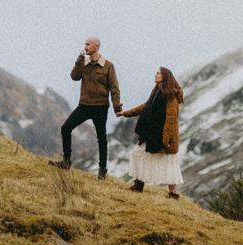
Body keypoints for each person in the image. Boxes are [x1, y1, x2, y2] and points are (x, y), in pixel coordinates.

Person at [50, 36, 122, 180]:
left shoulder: (108, 66)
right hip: (84, 106)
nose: (85, 46)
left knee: (101, 139)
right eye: (85, 44)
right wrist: (78, 60)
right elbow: (74, 77)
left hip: (100, 107)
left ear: (97, 46)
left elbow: (114, 88)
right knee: (66, 128)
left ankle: (102, 170)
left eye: (88, 44)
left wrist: (117, 106)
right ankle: (66, 161)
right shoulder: (83, 62)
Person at [118, 67, 184, 198]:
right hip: (151, 132)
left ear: (165, 77)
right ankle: (139, 185)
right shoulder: (157, 91)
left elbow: (171, 120)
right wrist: (126, 113)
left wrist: (165, 140)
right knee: (139, 155)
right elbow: (145, 106)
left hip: (164, 135)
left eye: (158, 73)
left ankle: (173, 194)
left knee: (169, 163)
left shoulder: (171, 95)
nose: (155, 75)